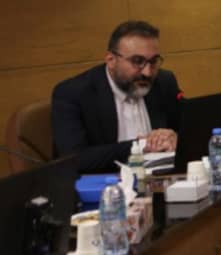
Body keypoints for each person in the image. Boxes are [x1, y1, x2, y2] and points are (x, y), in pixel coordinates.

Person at [52, 20, 182, 173]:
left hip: (161, 178)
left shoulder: (164, 82)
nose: (147, 72)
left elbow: (186, 128)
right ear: (111, 60)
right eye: (137, 61)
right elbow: (74, 159)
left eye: (153, 62)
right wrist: (142, 145)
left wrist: (175, 137)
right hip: (106, 182)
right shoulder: (73, 93)